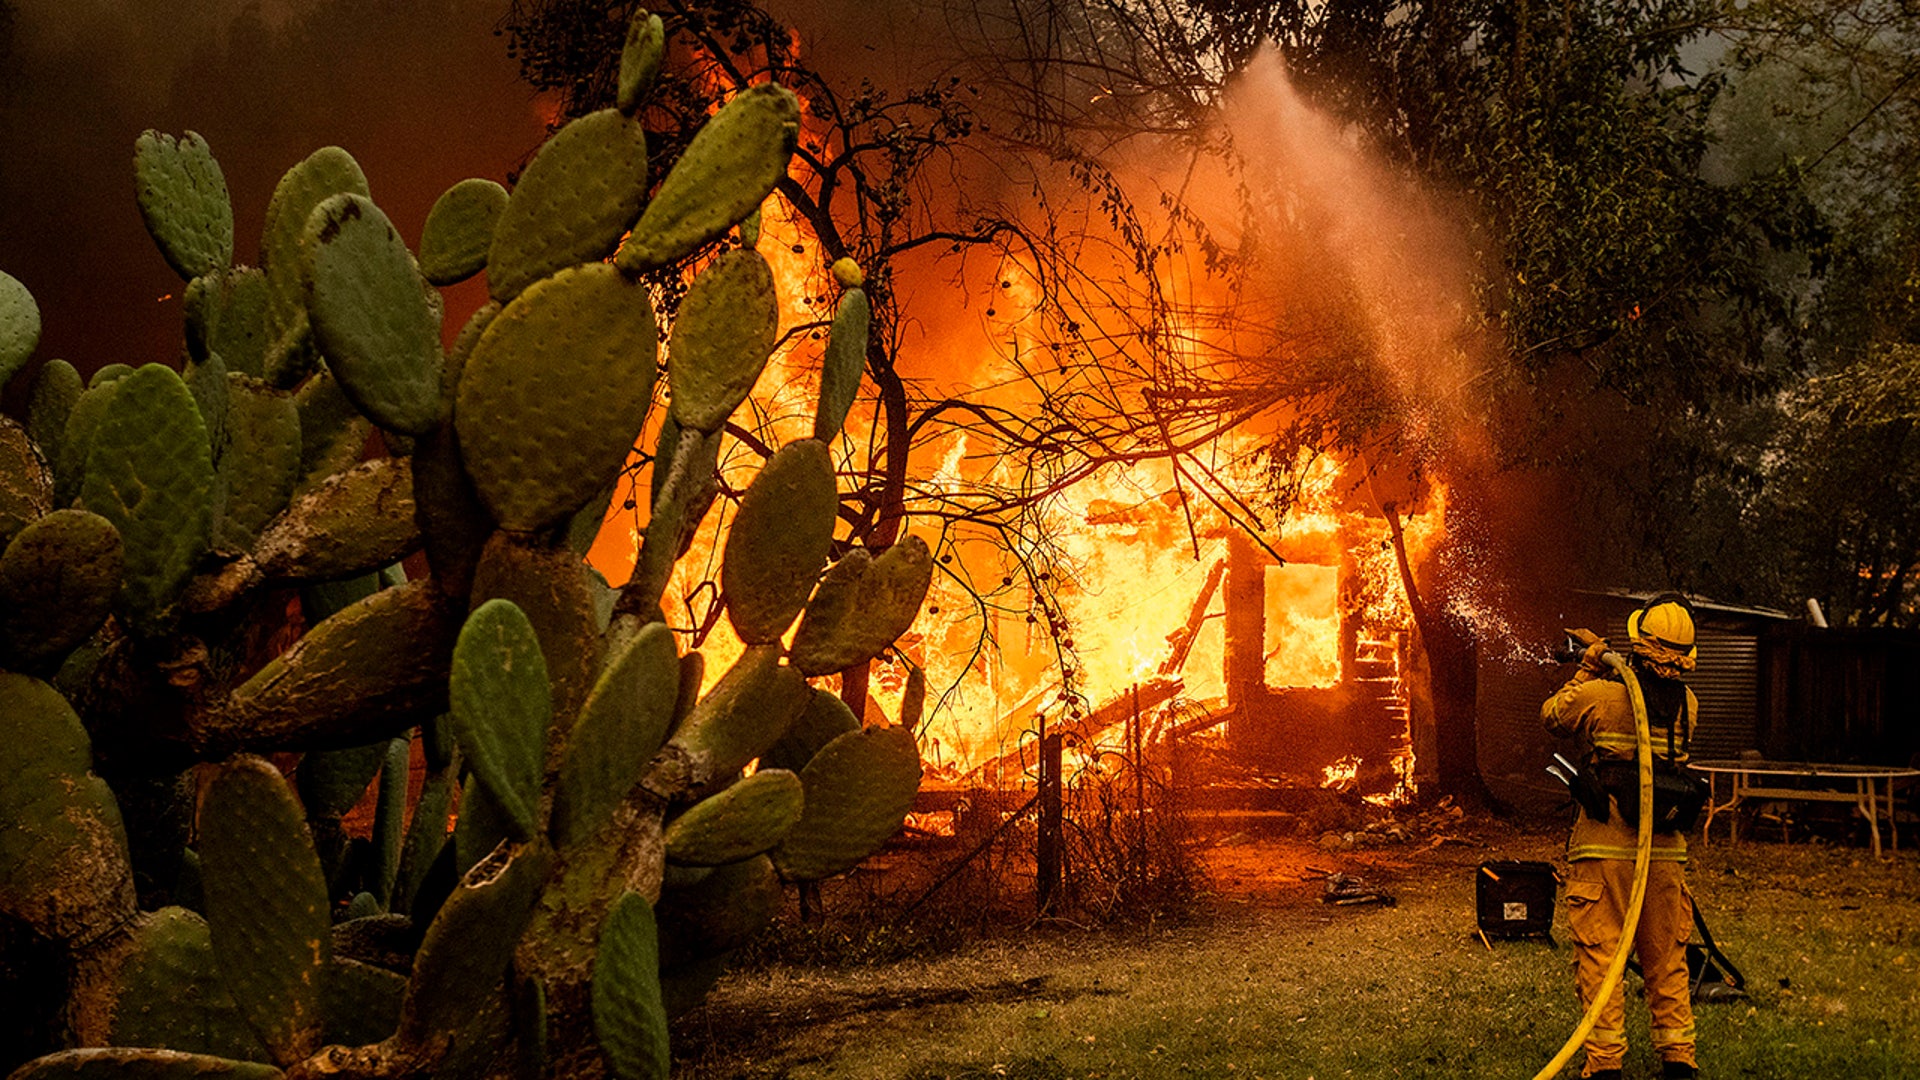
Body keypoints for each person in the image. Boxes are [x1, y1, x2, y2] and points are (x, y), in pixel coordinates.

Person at [1541, 595, 1701, 1080]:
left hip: (1605, 847)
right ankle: (1679, 1062)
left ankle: (1606, 1066)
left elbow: (1553, 717)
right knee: (1666, 957)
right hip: (1665, 852)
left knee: (1602, 956)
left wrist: (1589, 667)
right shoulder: (1688, 705)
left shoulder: (1603, 695)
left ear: (1638, 645)